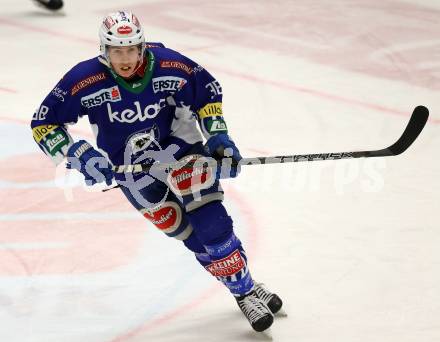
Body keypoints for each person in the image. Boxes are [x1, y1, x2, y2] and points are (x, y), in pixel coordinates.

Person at [30, 11, 283, 332]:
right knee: (188, 235)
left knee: (212, 226)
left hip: (182, 149)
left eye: (131, 50)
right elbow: (44, 123)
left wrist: (218, 136)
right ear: (104, 51)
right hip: (131, 170)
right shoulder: (85, 79)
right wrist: (80, 154)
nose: (125, 59)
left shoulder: (170, 64)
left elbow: (207, 92)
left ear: (142, 47)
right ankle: (246, 285)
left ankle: (244, 292)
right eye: (116, 51)